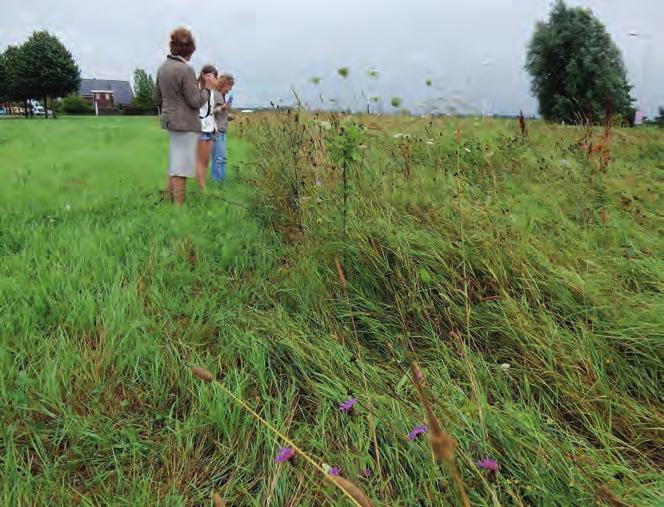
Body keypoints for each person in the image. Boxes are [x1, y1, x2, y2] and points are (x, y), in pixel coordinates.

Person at [153, 28, 217, 205]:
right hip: (185, 123)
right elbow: (196, 101)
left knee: (176, 162)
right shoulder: (185, 70)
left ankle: (167, 199)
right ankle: (178, 209)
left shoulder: (163, 68)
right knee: (181, 168)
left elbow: (156, 97)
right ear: (189, 50)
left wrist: (171, 107)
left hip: (170, 120)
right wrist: (207, 89)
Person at [195, 65, 219, 191]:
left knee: (206, 161)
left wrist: (215, 127)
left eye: (213, 76)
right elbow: (197, 106)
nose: (211, 78)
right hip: (201, 128)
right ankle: (202, 188)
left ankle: (202, 184)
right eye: (208, 75)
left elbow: (209, 110)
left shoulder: (212, 92)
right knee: (200, 160)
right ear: (203, 76)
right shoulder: (198, 89)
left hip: (211, 128)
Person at [210, 74, 235, 184]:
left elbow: (219, 113)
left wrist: (228, 116)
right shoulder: (215, 95)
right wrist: (223, 108)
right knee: (218, 159)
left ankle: (221, 182)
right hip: (216, 131)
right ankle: (216, 183)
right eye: (230, 86)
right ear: (224, 84)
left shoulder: (221, 95)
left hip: (222, 130)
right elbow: (210, 111)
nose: (231, 89)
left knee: (223, 159)